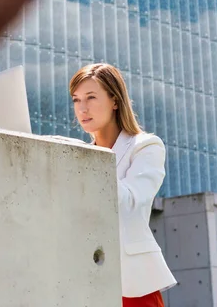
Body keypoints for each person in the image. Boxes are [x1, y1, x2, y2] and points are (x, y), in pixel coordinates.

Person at [69, 63, 177, 307]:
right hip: (84, 279)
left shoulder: (146, 146)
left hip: (132, 283)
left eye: (91, 97)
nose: (82, 108)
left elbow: (129, 201)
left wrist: (84, 162)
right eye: (76, 100)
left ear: (115, 101)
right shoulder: (78, 156)